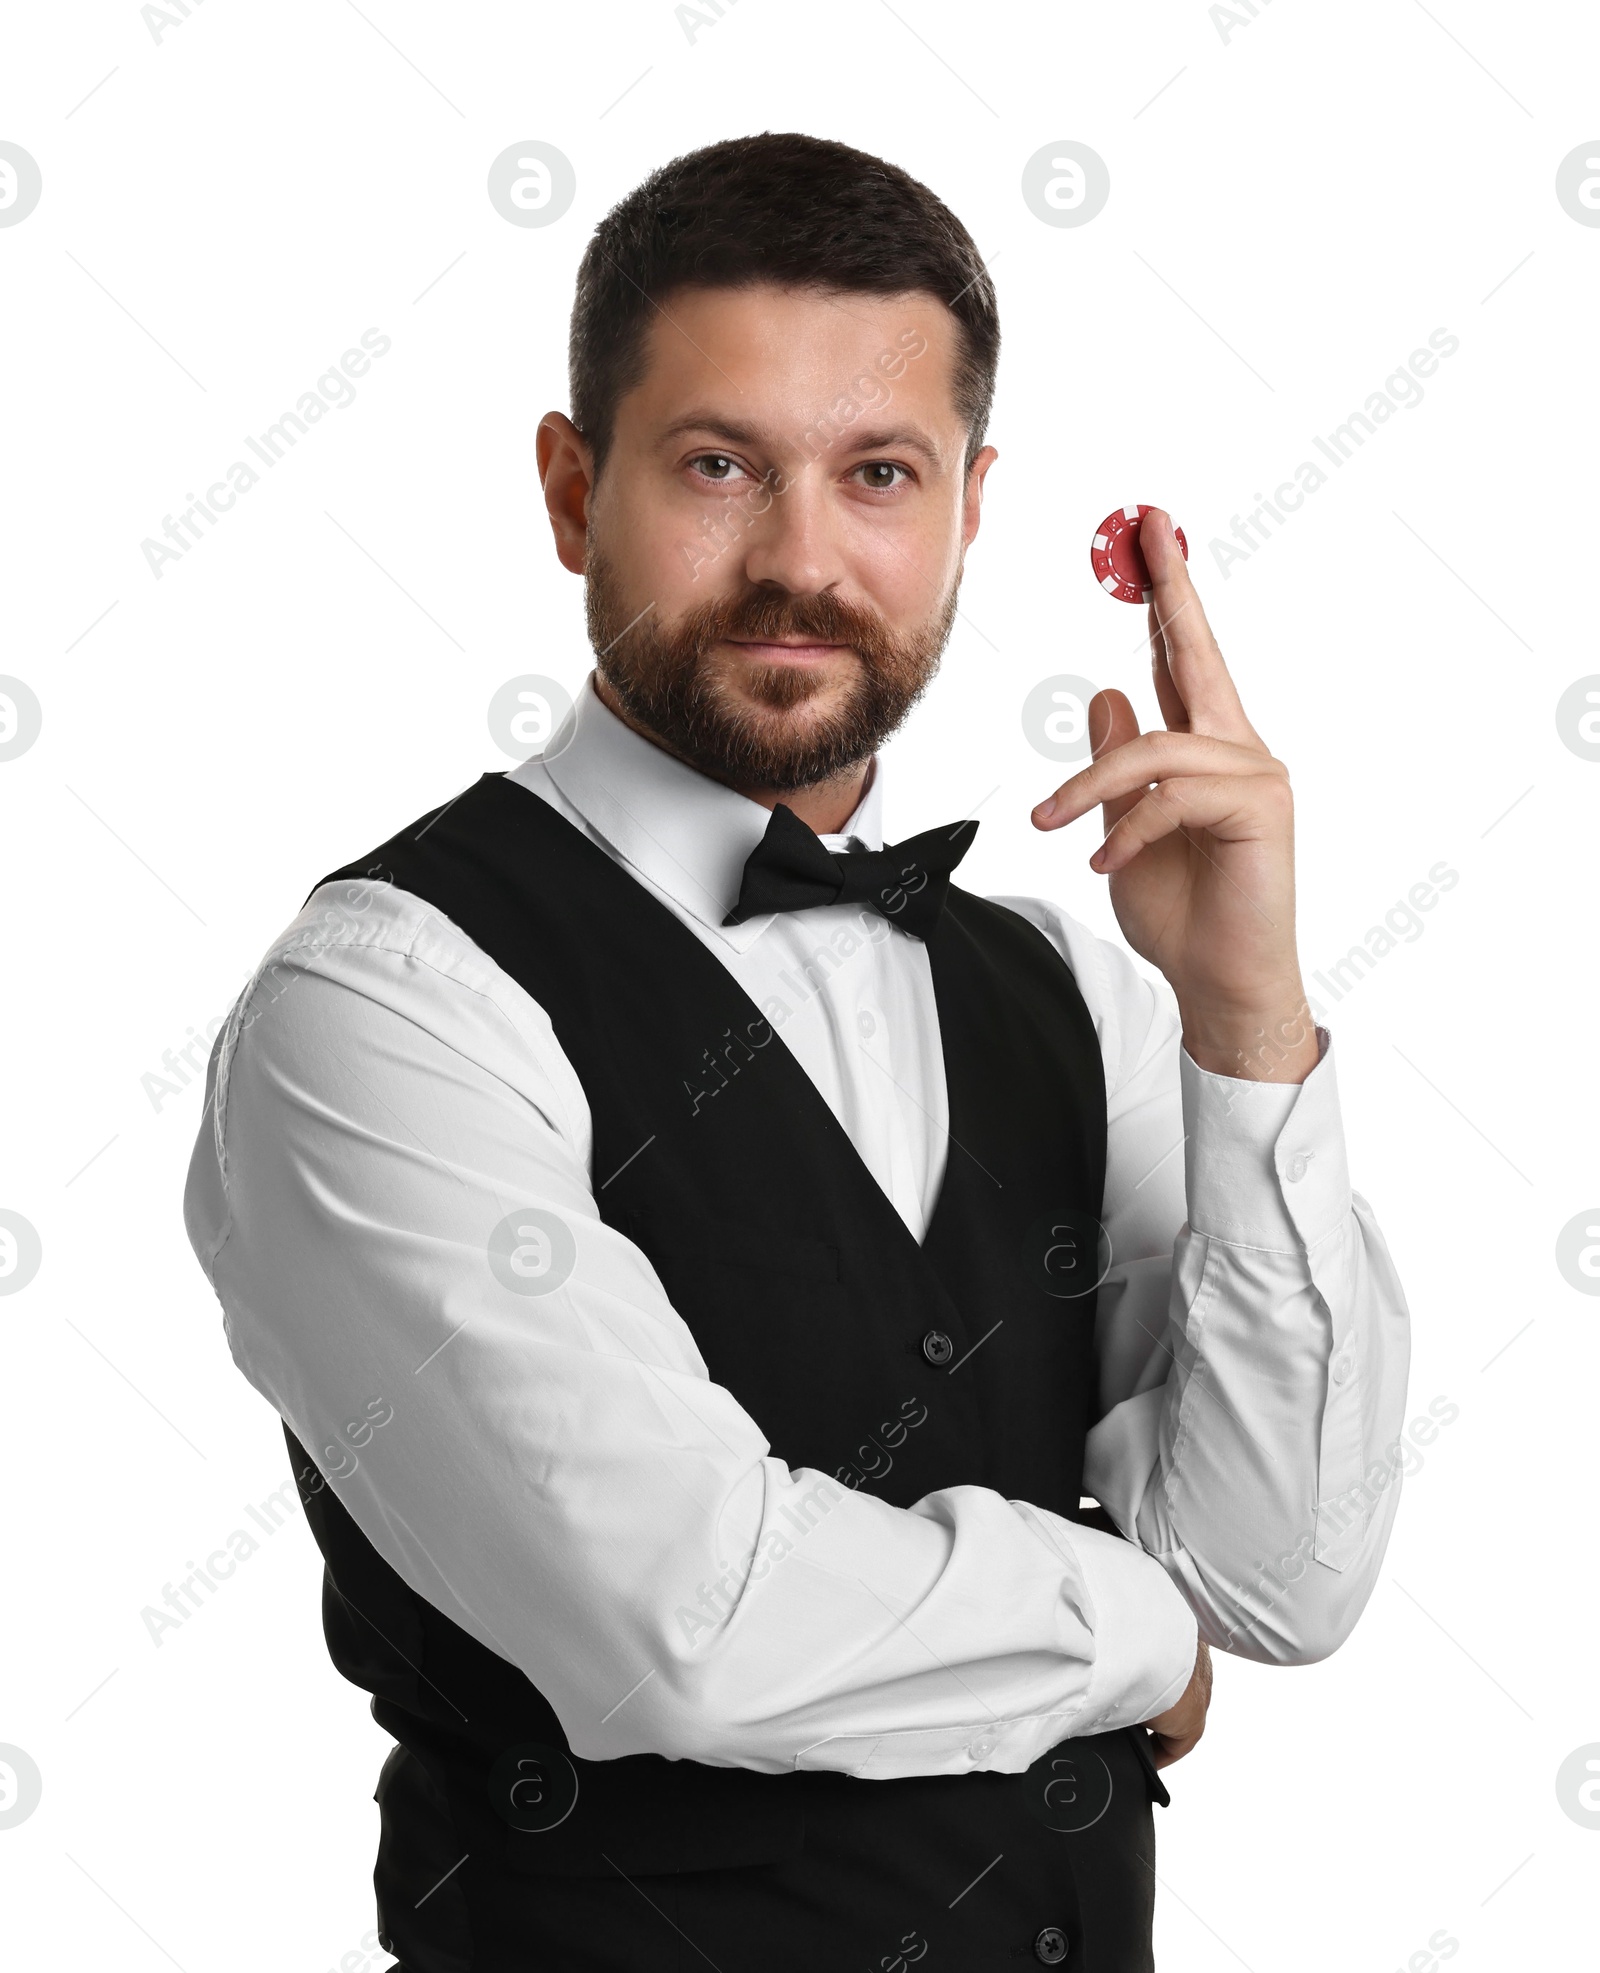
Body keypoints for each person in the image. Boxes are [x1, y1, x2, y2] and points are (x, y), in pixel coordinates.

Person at [183, 131, 1411, 1971]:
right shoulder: (385, 1004)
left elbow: (1282, 1574)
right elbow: (688, 1614)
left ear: (972, 508)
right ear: (568, 484)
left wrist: (1247, 1022)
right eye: (718, 466)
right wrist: (1134, 1636)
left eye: (881, 474)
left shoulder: (1074, 992)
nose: (802, 560)